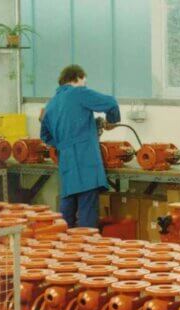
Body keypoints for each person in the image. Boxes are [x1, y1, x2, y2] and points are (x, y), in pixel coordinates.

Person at [40, 65, 121, 228]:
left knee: (66, 212)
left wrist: (64, 144)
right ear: (76, 78)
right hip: (86, 161)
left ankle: (63, 250)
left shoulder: (51, 104)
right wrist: (112, 121)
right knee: (87, 211)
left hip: (66, 163)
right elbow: (111, 102)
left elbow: (45, 136)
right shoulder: (78, 92)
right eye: (84, 82)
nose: (85, 86)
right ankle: (87, 248)